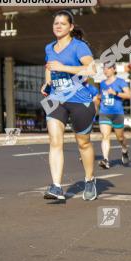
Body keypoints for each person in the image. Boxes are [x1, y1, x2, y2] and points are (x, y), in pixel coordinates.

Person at [40, 10, 98, 201]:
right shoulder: (49, 47)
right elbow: (49, 67)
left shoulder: (78, 47)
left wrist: (63, 68)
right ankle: (56, 187)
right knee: (55, 142)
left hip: (80, 100)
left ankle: (90, 180)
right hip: (57, 99)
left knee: (83, 143)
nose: (58, 26)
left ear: (71, 27)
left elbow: (91, 69)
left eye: (62, 24)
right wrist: (47, 82)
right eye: (55, 23)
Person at [97, 64, 131, 168]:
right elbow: (102, 96)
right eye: (104, 68)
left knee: (120, 138)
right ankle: (106, 160)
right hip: (104, 113)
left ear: (114, 69)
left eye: (108, 68)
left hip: (117, 113)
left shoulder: (121, 81)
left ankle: (124, 150)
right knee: (105, 136)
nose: (105, 70)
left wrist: (115, 92)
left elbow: (129, 95)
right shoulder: (102, 83)